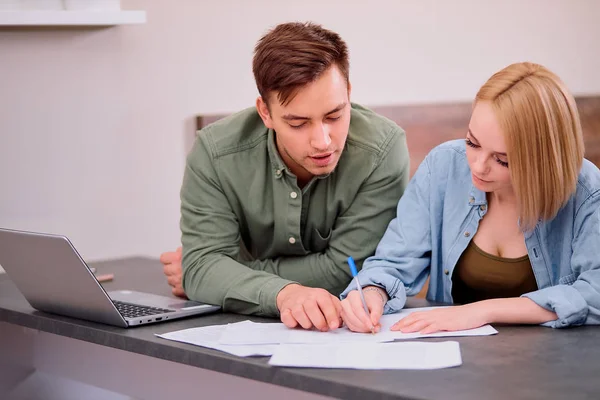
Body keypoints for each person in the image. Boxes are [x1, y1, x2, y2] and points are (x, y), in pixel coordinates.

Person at [160, 22, 410, 331]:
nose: (322, 141)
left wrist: (225, 274)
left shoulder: (382, 150)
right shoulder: (215, 152)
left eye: (334, 116)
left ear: (349, 93)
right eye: (298, 123)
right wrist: (283, 293)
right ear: (265, 112)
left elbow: (346, 271)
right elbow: (202, 269)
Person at [341, 62, 600, 333]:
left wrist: (482, 311)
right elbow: (394, 262)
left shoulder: (586, 191)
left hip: (552, 363)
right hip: (455, 361)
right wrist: (372, 292)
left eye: (502, 160)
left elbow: (595, 293)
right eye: (472, 143)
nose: (477, 166)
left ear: (542, 160)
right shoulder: (443, 167)